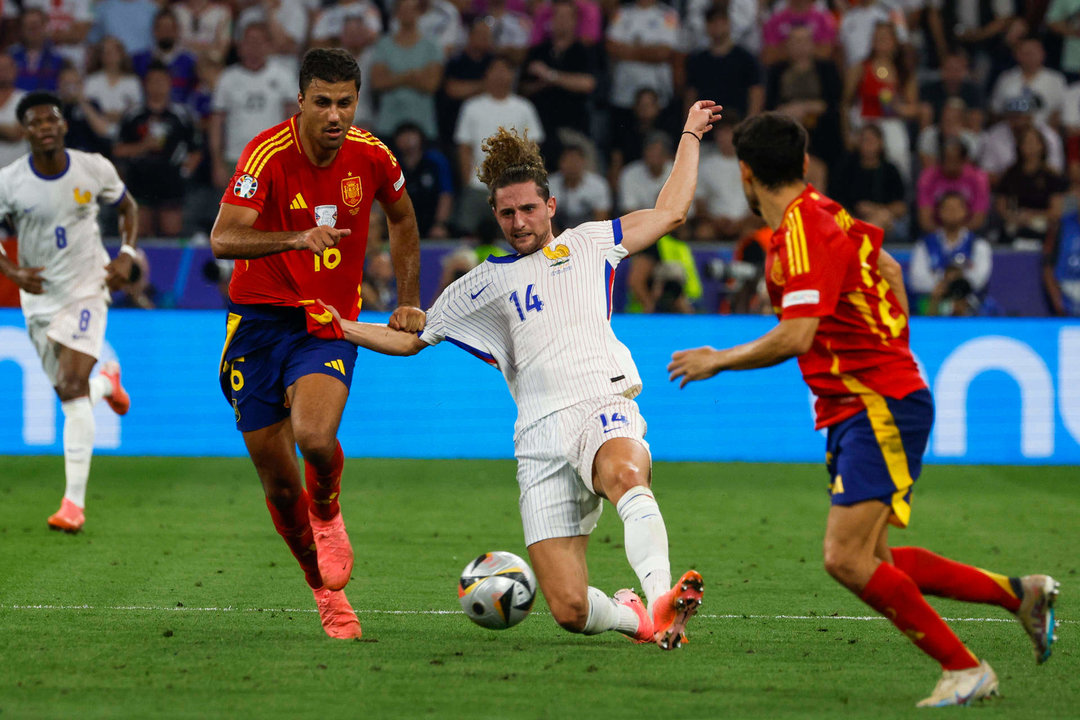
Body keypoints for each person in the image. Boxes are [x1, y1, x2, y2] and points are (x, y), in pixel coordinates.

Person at [667, 112, 1059, 707]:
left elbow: (796, 335)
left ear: (744, 175)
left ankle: (965, 669)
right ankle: (1018, 594)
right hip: (864, 401)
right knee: (876, 558)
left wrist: (717, 359)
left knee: (844, 557)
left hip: (876, 403)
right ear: (803, 164)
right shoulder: (827, 211)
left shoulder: (800, 233)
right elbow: (891, 269)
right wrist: (890, 345)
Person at [328, 101, 723, 649]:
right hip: (537, 437)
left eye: (529, 210)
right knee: (569, 607)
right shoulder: (479, 285)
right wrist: (337, 326)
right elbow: (410, 339)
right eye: (507, 213)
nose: (519, 222)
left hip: (599, 400)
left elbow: (673, 211)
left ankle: (660, 591)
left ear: (551, 205)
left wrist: (689, 134)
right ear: (495, 213)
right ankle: (643, 620)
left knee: (627, 474)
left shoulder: (590, 242)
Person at [208, 48, 424, 640]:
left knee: (314, 437)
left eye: (346, 103)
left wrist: (407, 297)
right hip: (255, 325)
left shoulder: (373, 154)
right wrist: (295, 238)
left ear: (358, 102)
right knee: (279, 485)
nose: (335, 114)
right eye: (323, 102)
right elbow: (223, 239)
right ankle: (324, 595)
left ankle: (327, 508)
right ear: (300, 101)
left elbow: (403, 218)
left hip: (324, 323)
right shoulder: (266, 153)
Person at [0, 91, 137, 533]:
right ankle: (107, 382)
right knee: (70, 391)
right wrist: (12, 272)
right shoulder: (10, 182)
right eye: (35, 121)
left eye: (51, 119)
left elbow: (127, 207)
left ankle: (72, 505)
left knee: (70, 386)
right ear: (25, 131)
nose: (44, 126)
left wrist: (127, 253)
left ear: (62, 126)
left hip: (87, 287)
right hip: (39, 297)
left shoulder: (93, 167)